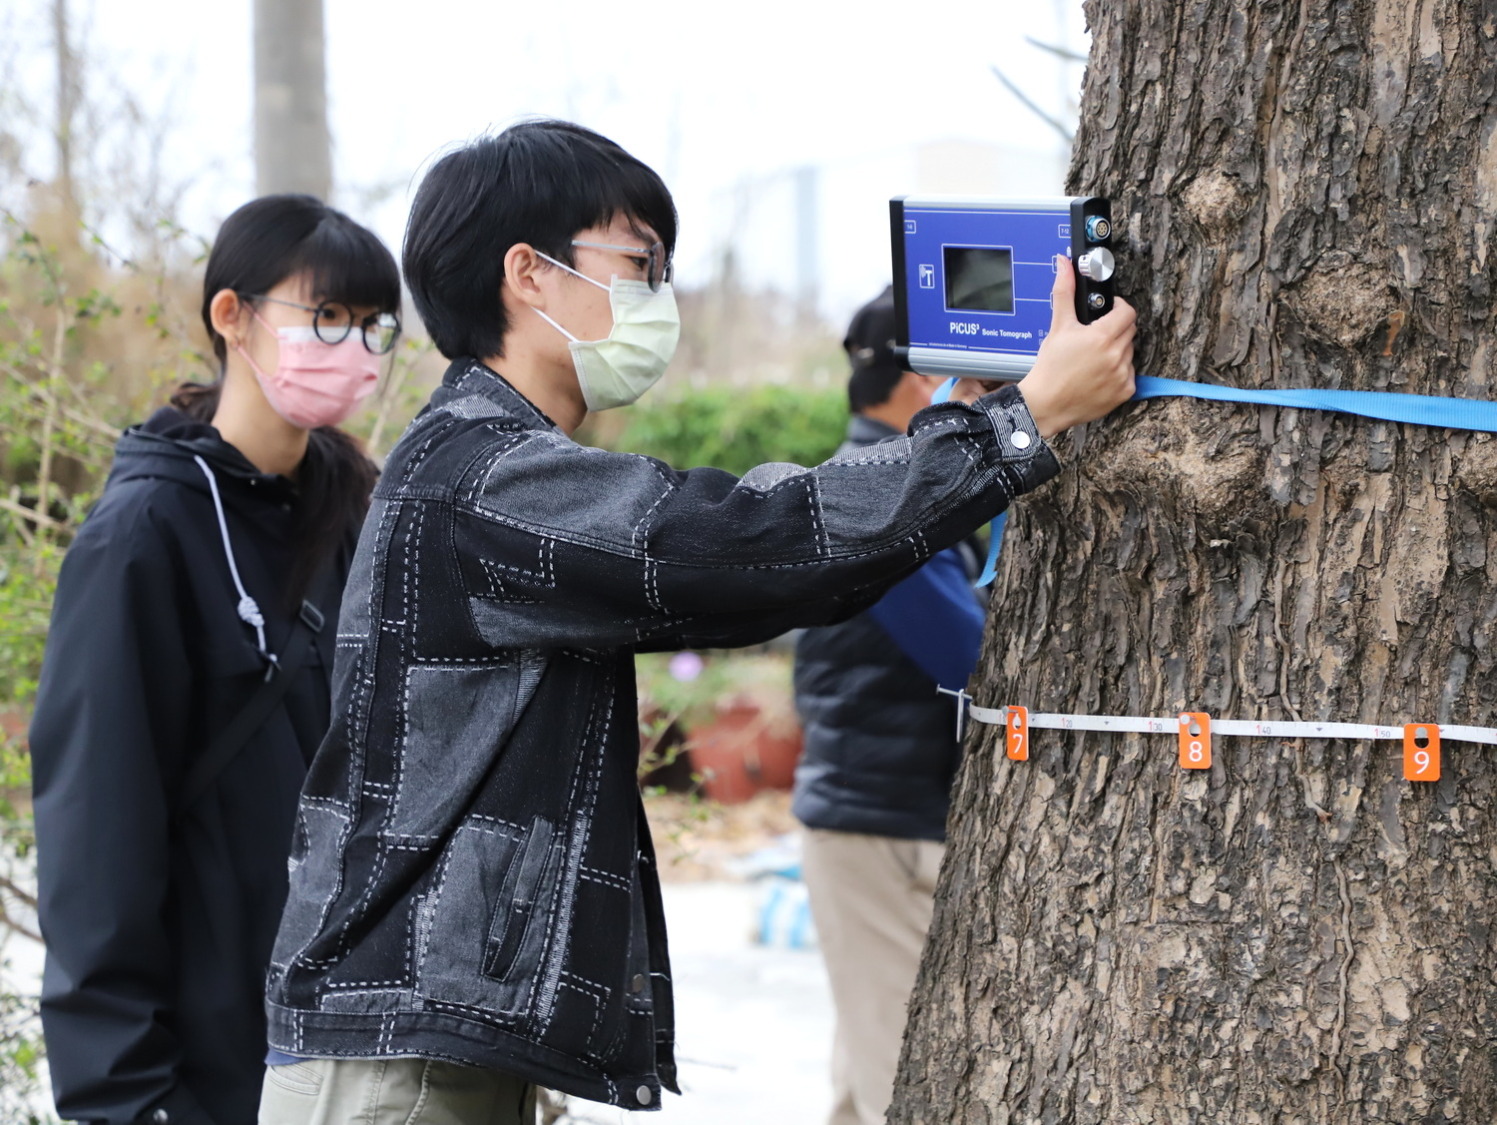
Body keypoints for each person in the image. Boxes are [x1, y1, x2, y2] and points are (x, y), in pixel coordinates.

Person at [259, 118, 1135, 1124]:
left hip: (423, 1036)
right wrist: (1021, 422)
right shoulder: (487, 478)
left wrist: (972, 422)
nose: (659, 299)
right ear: (528, 275)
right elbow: (752, 546)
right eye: (639, 264)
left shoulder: (475, 460)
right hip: (399, 1056)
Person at [29, 194, 401, 1125]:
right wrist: (125, 1096)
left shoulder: (355, 512)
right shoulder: (143, 535)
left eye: (372, 326)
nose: (351, 349)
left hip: (345, 1055)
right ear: (230, 317)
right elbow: (96, 834)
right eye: (325, 317)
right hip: (204, 1073)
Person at [791, 285, 986, 1125]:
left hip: (880, 820)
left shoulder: (890, 485)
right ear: (925, 381)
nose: (993, 400)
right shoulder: (878, 495)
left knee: (865, 1083)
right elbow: (975, 657)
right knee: (904, 1089)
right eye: (976, 382)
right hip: (883, 831)